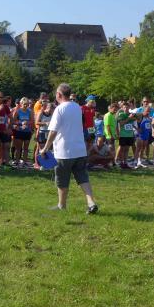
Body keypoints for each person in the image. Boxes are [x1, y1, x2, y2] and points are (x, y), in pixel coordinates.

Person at [40, 83, 99, 214]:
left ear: (59, 95)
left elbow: (53, 131)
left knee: (62, 179)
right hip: (80, 149)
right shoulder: (77, 107)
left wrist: (45, 149)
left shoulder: (59, 109)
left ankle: (62, 206)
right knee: (83, 177)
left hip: (64, 151)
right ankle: (91, 202)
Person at [12, 97, 33, 167]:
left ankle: (24, 162)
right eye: (24, 104)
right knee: (18, 148)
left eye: (27, 104)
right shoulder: (18, 111)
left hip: (27, 131)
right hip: (19, 131)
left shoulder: (30, 111)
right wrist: (21, 123)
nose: (26, 105)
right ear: (21, 104)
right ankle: (17, 161)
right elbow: (13, 121)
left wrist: (27, 123)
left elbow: (32, 121)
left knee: (26, 148)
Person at [115, 101, 136, 169]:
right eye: (124, 107)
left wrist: (134, 117)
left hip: (130, 135)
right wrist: (129, 118)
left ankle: (125, 163)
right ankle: (121, 163)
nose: (126, 108)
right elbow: (121, 123)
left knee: (127, 149)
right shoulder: (121, 115)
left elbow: (136, 120)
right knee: (122, 149)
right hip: (123, 135)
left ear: (129, 107)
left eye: (127, 107)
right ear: (122, 108)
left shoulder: (131, 114)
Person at [34, 101, 54, 169]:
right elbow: (37, 122)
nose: (52, 111)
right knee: (41, 149)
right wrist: (45, 123)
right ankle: (37, 164)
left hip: (49, 133)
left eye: (53, 110)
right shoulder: (41, 113)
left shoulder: (52, 114)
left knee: (48, 149)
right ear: (48, 108)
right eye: (51, 109)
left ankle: (47, 165)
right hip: (42, 132)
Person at [134, 104, 152, 169]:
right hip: (140, 135)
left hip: (146, 135)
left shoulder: (149, 118)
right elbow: (132, 121)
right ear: (144, 110)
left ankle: (140, 162)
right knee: (138, 148)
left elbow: (149, 126)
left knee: (143, 148)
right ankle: (135, 162)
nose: (148, 112)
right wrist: (137, 129)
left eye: (149, 111)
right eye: (147, 111)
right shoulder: (139, 115)